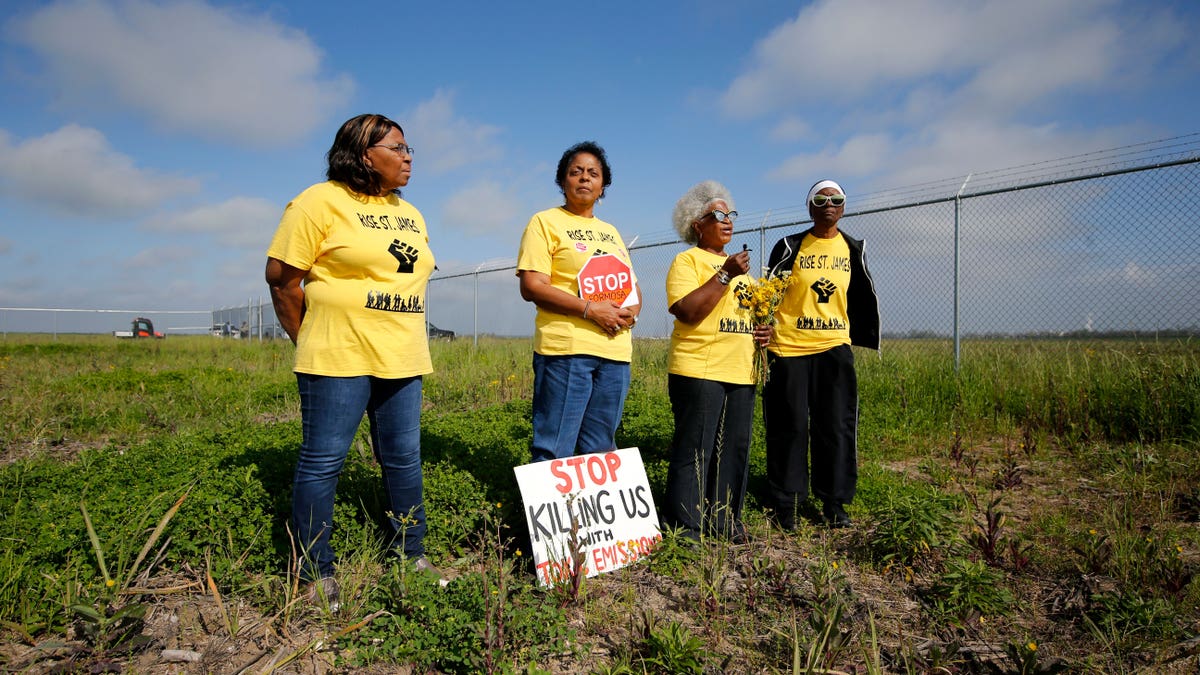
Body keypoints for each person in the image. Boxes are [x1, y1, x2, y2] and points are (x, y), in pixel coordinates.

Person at [265, 113, 444, 606]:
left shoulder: (410, 212)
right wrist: (312, 339)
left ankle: (413, 556)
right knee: (323, 463)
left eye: (409, 149)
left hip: (403, 356)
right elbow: (283, 280)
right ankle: (313, 573)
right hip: (337, 356)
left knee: (404, 460)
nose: (408, 157)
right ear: (365, 154)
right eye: (398, 148)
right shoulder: (318, 201)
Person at [763, 179, 880, 529]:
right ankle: (786, 503)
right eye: (820, 198)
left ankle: (835, 503)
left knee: (836, 427)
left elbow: (859, 295)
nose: (829, 203)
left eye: (836, 199)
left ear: (843, 207)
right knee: (790, 426)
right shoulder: (789, 246)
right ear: (810, 206)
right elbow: (769, 293)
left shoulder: (853, 248)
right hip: (788, 349)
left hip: (834, 349)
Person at [516, 141, 641, 463]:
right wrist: (589, 309)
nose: (584, 178)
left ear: (603, 186)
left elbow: (632, 287)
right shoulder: (545, 222)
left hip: (614, 353)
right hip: (566, 350)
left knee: (600, 447)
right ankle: (548, 513)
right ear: (562, 181)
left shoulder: (610, 232)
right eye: (576, 172)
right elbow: (532, 285)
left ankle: (585, 515)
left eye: (593, 173)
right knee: (554, 447)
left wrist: (631, 313)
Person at [662, 180, 772, 543]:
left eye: (731, 215)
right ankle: (686, 527)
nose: (727, 221)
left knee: (733, 451)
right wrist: (724, 274)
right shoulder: (687, 261)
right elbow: (688, 311)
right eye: (718, 215)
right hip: (700, 370)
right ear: (698, 224)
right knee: (696, 448)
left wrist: (764, 332)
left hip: (741, 372)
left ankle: (724, 520)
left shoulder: (747, 276)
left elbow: (754, 319)